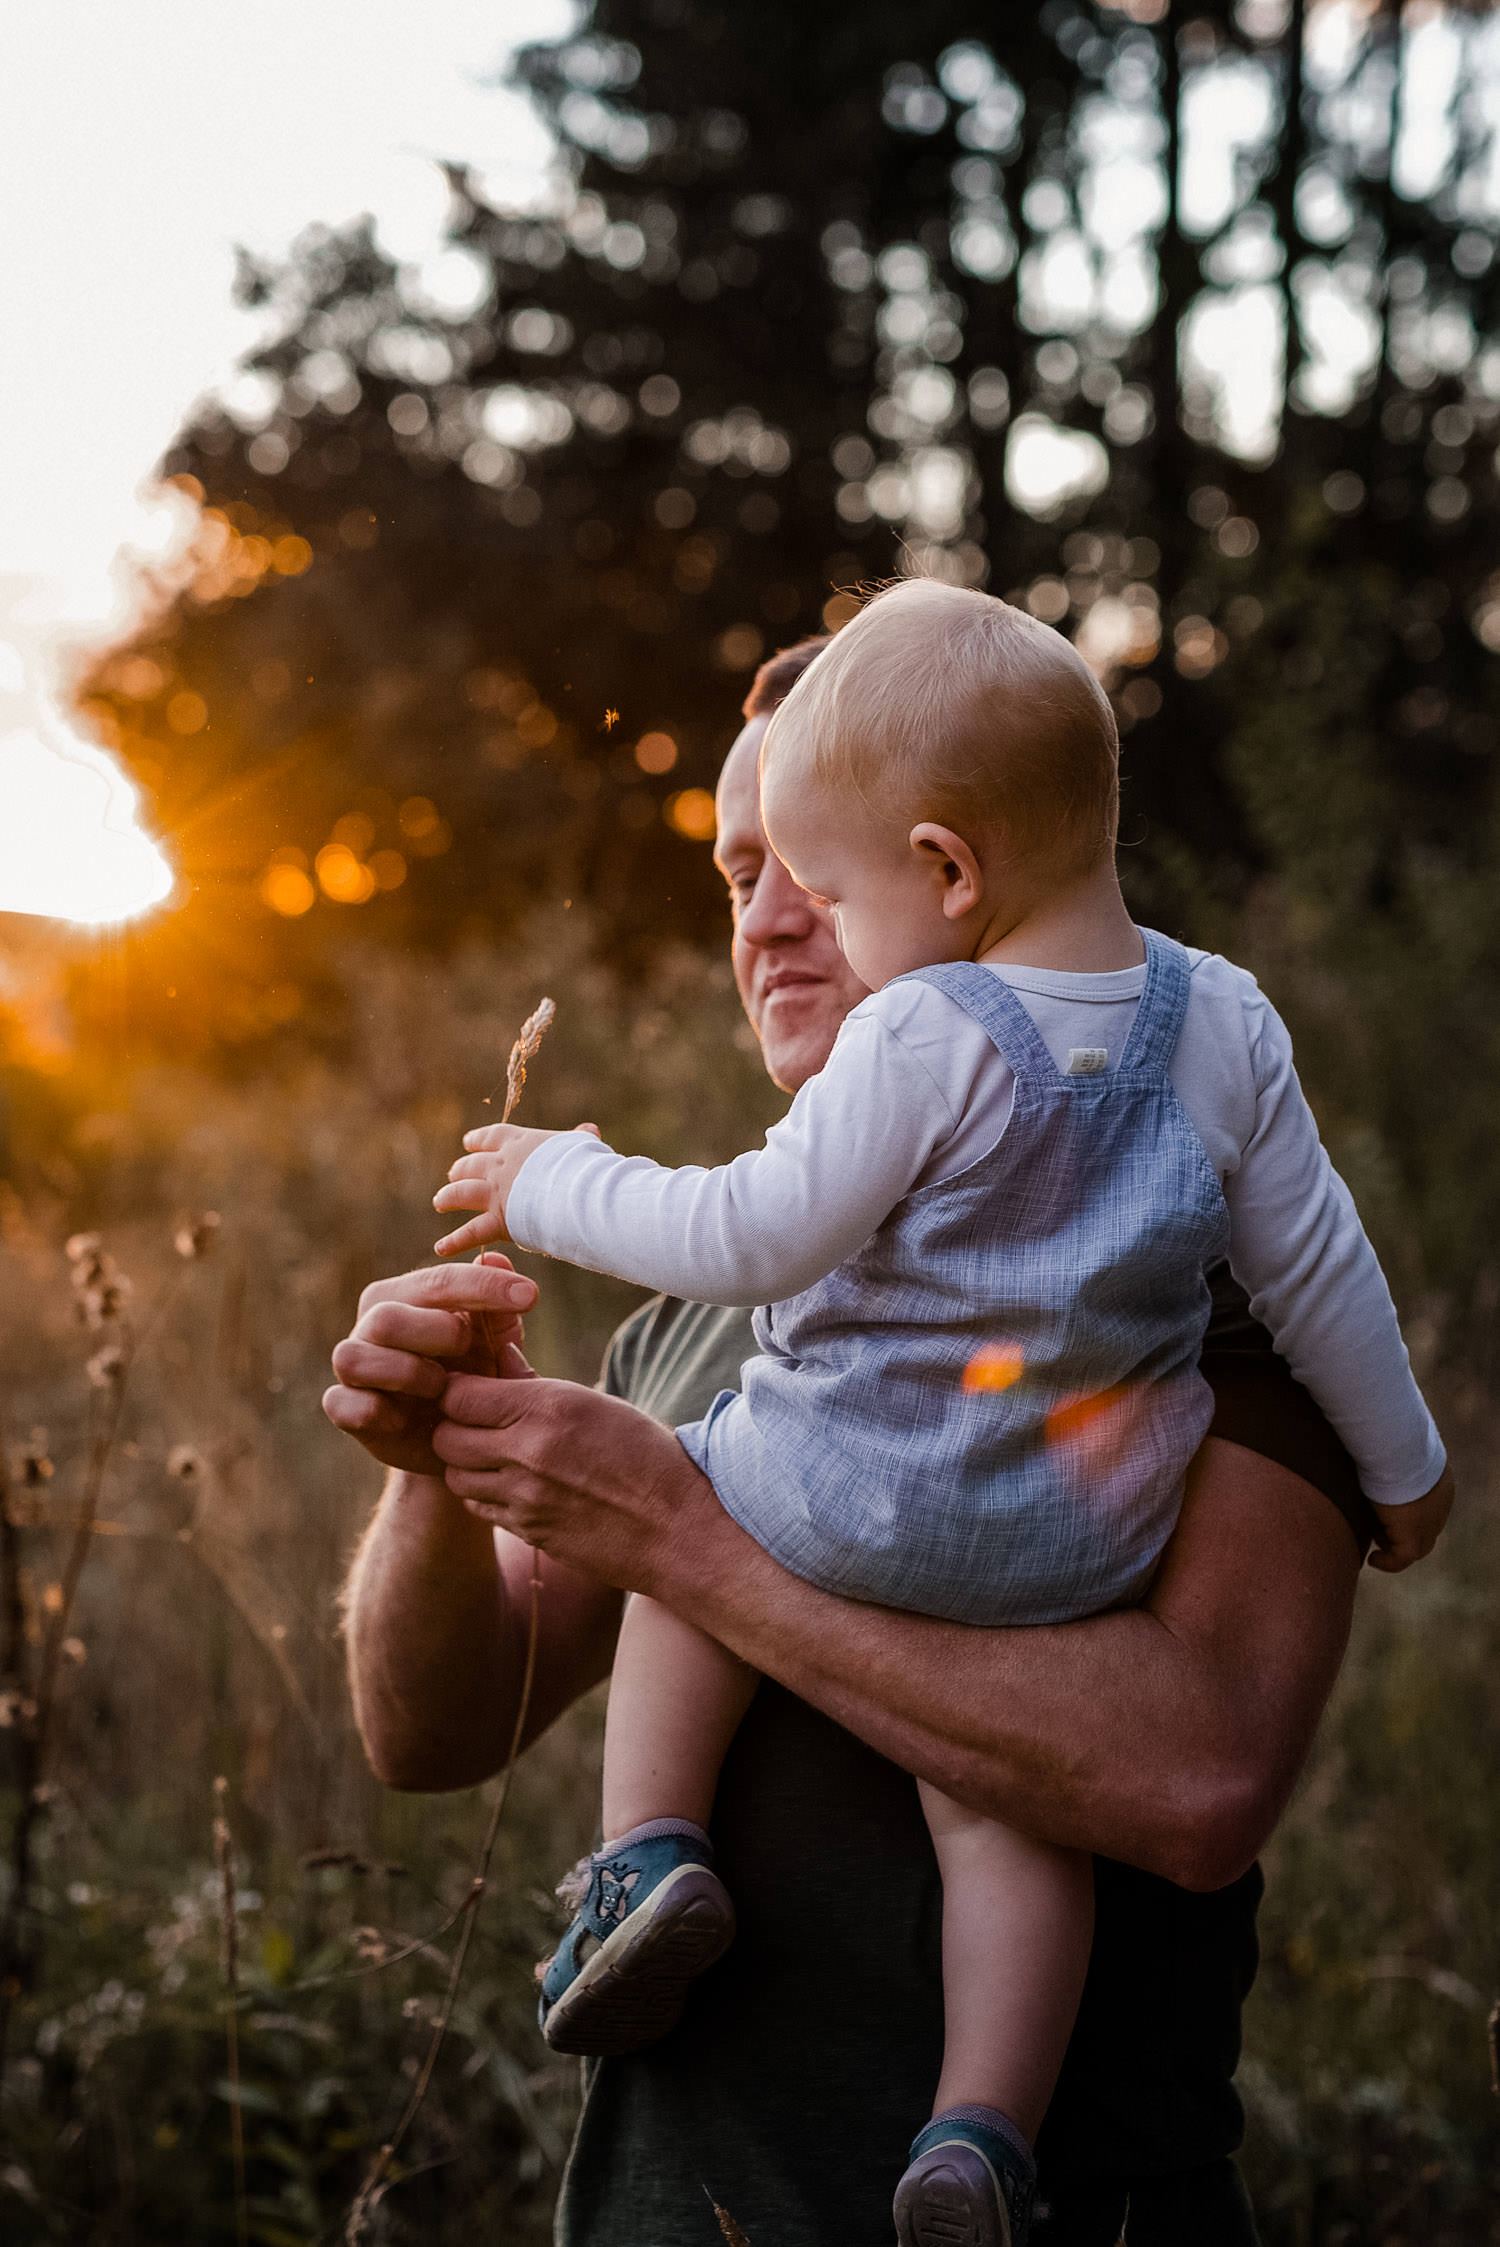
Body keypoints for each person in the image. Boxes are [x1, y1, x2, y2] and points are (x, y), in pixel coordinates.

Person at [327, 631, 1449, 2246]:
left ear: (947, 866)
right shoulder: (698, 1317)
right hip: (680, 2207)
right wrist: (428, 1462)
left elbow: (1199, 1781)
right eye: (733, 876)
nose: (772, 919)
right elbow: (430, 1737)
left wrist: (687, 1546)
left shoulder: (1207, 1317)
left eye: (805, 869)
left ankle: (739, 1943)